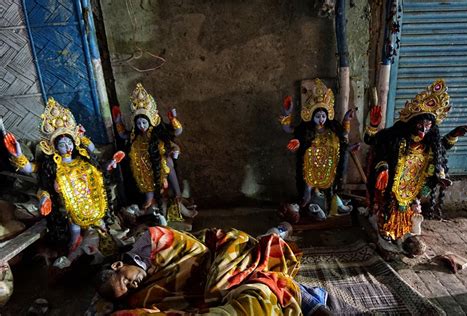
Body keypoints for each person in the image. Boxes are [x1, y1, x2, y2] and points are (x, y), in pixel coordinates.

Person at [92, 226, 330, 315]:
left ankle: (279, 231)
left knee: (238, 275)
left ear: (117, 266)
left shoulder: (153, 240)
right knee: (258, 286)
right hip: (216, 287)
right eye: (124, 292)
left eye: (124, 282)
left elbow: (194, 252)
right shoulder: (141, 294)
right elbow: (166, 301)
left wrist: (213, 281)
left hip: (218, 259)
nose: (132, 287)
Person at [3, 97, 124, 267]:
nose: (67, 146)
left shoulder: (83, 159)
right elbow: (30, 169)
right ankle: (72, 252)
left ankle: (110, 250)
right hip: (70, 207)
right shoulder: (51, 166)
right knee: (74, 231)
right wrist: (17, 155)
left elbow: (99, 168)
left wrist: (109, 164)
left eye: (69, 142)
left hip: (92, 203)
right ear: (53, 147)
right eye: (62, 144)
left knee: (103, 226)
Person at [364, 79, 467, 252]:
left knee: (411, 209)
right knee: (390, 209)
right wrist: (382, 167)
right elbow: (372, 142)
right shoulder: (397, 140)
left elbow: (442, 147)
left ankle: (404, 233)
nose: (423, 130)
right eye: (419, 125)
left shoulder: (429, 144)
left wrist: (453, 135)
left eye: (427, 126)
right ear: (411, 123)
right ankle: (386, 232)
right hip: (393, 184)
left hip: (414, 184)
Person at [113, 83, 196, 220]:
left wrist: (173, 119)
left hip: (160, 163)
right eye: (139, 123)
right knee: (147, 188)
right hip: (143, 167)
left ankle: (177, 196)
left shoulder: (158, 133)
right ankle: (149, 203)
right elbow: (123, 135)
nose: (141, 126)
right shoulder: (135, 135)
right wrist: (118, 122)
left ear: (151, 120)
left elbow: (177, 131)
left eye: (144, 123)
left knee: (167, 165)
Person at [281, 79, 355, 220]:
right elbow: (288, 130)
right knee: (308, 191)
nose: (321, 119)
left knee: (330, 189)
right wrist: (287, 113)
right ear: (311, 116)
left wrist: (346, 120)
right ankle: (308, 201)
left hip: (329, 166)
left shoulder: (331, 129)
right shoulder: (306, 131)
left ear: (327, 116)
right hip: (311, 168)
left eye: (323, 116)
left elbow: (343, 137)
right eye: (317, 116)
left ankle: (332, 203)